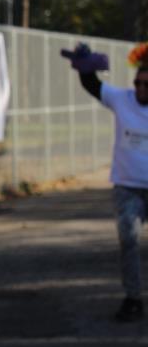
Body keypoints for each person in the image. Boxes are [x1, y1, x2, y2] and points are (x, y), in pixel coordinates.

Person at [69, 42, 148, 322]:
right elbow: (92, 85)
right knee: (128, 239)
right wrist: (84, 64)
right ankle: (133, 298)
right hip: (128, 187)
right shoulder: (122, 99)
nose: (140, 88)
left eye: (146, 84)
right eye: (137, 82)